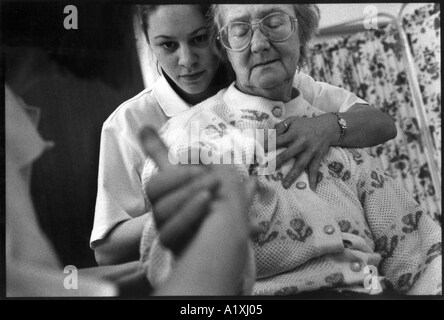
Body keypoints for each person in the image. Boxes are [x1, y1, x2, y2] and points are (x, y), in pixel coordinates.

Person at [140, 4, 441, 295]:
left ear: (302, 31)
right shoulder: (189, 134)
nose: (258, 44)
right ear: (224, 46)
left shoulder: (337, 133)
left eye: (274, 23)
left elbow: (423, 255)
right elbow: (169, 268)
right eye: (239, 30)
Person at [91, 4, 396, 266]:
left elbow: (381, 123)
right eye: (168, 45)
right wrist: (187, 207)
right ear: (147, 42)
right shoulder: (129, 122)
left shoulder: (268, 82)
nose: (187, 60)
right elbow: (107, 251)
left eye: (198, 39)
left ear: (217, 38)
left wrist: (328, 125)